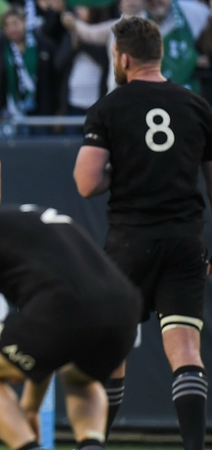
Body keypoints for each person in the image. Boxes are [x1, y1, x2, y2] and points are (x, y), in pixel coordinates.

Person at [74, 16, 212, 450]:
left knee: (110, 351)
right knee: (186, 351)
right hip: (184, 240)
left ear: (123, 58)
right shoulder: (196, 106)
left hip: (130, 241)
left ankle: (93, 444)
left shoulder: (109, 108)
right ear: (159, 55)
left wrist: (123, 168)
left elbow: (86, 182)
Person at [0, 190, 141, 450]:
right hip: (124, 309)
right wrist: (31, 407)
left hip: (64, 307)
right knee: (80, 380)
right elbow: (46, 349)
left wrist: (1, 365)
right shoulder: (32, 217)